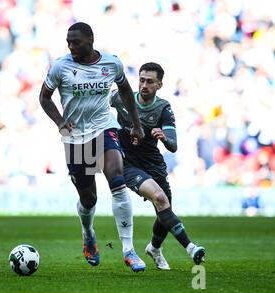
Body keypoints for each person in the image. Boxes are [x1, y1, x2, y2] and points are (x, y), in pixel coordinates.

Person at [39, 22, 146, 272]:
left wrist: (136, 125)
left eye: (75, 41)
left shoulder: (111, 63)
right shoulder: (61, 67)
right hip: (76, 137)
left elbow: (126, 90)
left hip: (104, 127)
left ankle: (129, 250)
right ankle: (88, 233)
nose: (71, 46)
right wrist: (60, 122)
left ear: (90, 40)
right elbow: (44, 97)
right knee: (89, 199)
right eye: (68, 42)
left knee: (117, 179)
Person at [109, 62, 206, 270]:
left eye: (150, 81)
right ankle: (191, 248)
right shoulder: (121, 98)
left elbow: (173, 145)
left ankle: (154, 248)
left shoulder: (163, 108)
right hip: (127, 163)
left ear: (159, 85)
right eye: (142, 80)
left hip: (154, 164)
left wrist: (163, 138)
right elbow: (98, 102)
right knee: (160, 198)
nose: (144, 85)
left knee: (164, 211)